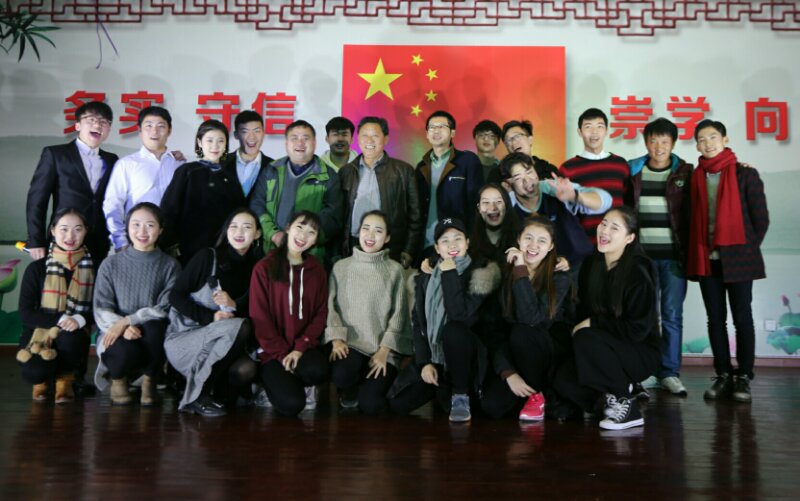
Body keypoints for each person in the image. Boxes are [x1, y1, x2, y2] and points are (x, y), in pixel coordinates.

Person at [552, 207, 660, 430]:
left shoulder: (638, 272)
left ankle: (626, 405)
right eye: (603, 224)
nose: (605, 231)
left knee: (585, 336)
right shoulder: (592, 264)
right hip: (600, 345)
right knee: (562, 380)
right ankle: (606, 399)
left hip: (638, 350)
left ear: (629, 238)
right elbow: (583, 312)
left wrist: (594, 324)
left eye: (614, 227)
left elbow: (638, 330)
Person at [387, 218, 501, 423]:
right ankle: (443, 387)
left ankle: (460, 394)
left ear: (467, 243)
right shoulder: (427, 275)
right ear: (437, 248)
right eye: (445, 241)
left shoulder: (480, 273)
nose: (452, 245)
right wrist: (424, 363)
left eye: (458, 239)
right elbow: (418, 322)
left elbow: (459, 315)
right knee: (398, 403)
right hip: (436, 357)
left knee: (453, 330)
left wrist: (449, 272)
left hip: (468, 359)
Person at [688, 120, 769, 403]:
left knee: (742, 318)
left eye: (713, 137)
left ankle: (744, 376)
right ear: (697, 145)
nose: (708, 143)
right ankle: (723, 374)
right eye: (702, 139)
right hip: (707, 260)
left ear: (725, 140)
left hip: (739, 260)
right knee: (716, 319)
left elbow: (760, 219)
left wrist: (745, 250)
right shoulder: (696, 177)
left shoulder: (745, 174)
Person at [165, 208, 263, 416]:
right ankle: (196, 396)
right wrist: (211, 316)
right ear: (226, 231)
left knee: (246, 369)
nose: (239, 232)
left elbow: (255, 310)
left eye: (247, 227)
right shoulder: (207, 257)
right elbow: (175, 296)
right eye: (233, 227)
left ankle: (215, 390)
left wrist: (234, 305)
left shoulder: (258, 267)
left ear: (257, 234)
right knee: (240, 326)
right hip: (187, 337)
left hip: (222, 342)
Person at [481, 216, 572, 421]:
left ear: (551, 246)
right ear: (518, 240)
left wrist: (520, 268)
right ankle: (530, 395)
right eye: (528, 238)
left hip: (546, 358)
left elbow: (531, 318)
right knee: (491, 406)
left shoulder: (559, 277)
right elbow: (493, 330)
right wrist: (508, 372)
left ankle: (539, 394)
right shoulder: (502, 273)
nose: (533, 245)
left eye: (542, 240)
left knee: (522, 332)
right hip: (514, 356)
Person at [626, 118, 693, 396]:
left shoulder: (685, 173)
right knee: (645, 316)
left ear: (673, 143)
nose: (659, 147)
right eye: (653, 141)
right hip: (642, 259)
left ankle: (670, 373)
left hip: (674, 259)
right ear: (646, 142)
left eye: (665, 141)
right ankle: (648, 371)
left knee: (672, 315)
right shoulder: (633, 171)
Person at [93, 203, 180, 406]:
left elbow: (165, 307)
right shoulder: (110, 264)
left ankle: (150, 381)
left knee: (158, 328)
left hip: (150, 331)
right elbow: (101, 307)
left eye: (150, 225)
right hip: (114, 330)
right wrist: (122, 327)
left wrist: (129, 320)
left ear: (160, 230)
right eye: (136, 224)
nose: (142, 231)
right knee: (123, 351)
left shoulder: (171, 265)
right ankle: (118, 380)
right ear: (127, 228)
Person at [326, 211, 411, 414]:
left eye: (378, 231)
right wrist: (336, 339)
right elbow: (331, 307)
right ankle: (350, 390)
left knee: (371, 406)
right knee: (342, 375)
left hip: (383, 350)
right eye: (366, 228)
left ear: (387, 237)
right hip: (351, 345)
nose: (370, 235)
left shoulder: (395, 270)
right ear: (359, 232)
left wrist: (384, 351)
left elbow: (399, 315)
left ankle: (374, 389)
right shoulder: (341, 267)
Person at [250, 211, 330, 416]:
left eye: (311, 232)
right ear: (288, 228)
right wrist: (282, 354)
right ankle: (268, 387)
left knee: (318, 371)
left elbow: (321, 313)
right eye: (299, 227)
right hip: (272, 351)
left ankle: (297, 381)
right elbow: (260, 318)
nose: (303, 236)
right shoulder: (264, 267)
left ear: (315, 240)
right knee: (292, 405)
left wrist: (300, 348)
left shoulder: (316, 270)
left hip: (303, 348)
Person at [17, 209, 95, 404]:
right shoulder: (37, 268)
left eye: (78, 229)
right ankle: (42, 381)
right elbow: (25, 313)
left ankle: (64, 380)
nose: (70, 236)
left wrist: (80, 319)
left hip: (74, 333)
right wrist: (60, 319)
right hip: (38, 332)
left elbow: (101, 307)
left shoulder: (95, 267)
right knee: (34, 371)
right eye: (64, 229)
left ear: (86, 231)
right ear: (53, 230)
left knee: (71, 337)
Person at [26, 101, 118, 265]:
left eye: (104, 122)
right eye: (91, 119)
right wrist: (35, 240)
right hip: (64, 239)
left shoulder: (112, 159)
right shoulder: (55, 154)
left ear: (109, 130)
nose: (97, 125)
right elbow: (37, 200)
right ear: (77, 125)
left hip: (98, 242)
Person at [249, 120, 343, 266]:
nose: (300, 143)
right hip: (271, 253)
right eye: (294, 138)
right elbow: (257, 205)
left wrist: (304, 239)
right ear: (286, 143)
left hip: (310, 257)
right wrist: (273, 234)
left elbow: (333, 218)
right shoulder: (271, 170)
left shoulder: (328, 176)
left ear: (315, 143)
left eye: (306, 138)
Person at [500, 152, 609, 269]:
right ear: (507, 185)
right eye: (518, 178)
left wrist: (574, 196)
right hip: (541, 271)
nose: (527, 180)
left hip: (580, 264)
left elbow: (604, 202)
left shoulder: (552, 188)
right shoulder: (506, 205)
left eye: (529, 172)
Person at [339, 116, 422, 267]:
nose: (369, 140)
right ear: (358, 139)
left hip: (389, 247)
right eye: (364, 135)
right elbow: (339, 215)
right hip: (353, 245)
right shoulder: (346, 171)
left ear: (386, 139)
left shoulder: (404, 171)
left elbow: (415, 215)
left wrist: (409, 249)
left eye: (375, 136)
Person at [161, 119, 246, 266]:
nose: (215, 146)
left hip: (222, 252)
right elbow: (168, 210)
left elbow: (239, 213)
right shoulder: (187, 171)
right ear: (199, 142)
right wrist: (170, 244)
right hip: (187, 250)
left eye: (220, 141)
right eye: (210, 140)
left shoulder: (230, 177)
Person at [103, 106, 184, 252]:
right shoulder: (127, 164)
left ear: (169, 130)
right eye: (148, 126)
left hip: (173, 243)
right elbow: (113, 204)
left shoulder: (180, 164)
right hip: (137, 241)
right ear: (139, 130)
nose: (154, 131)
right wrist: (120, 241)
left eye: (161, 126)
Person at [416, 111, 484, 258]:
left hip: (457, 244)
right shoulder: (421, 167)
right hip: (428, 243)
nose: (436, 130)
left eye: (441, 126)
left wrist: (471, 240)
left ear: (452, 132)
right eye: (432, 127)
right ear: (427, 134)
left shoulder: (467, 161)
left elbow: (476, 205)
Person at [558, 109, 629, 244]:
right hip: (584, 242)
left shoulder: (620, 164)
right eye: (588, 127)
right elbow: (565, 211)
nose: (594, 132)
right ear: (580, 132)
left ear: (606, 131)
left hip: (617, 242)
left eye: (599, 127)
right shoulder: (568, 168)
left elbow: (627, 201)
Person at [223, 110, 274, 204]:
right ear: (236, 135)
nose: (252, 137)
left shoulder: (274, 167)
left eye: (257, 131)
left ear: (263, 134)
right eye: (245, 131)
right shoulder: (222, 164)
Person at [469, 183, 520, 264]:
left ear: (506, 205)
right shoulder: (468, 241)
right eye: (486, 202)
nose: (493, 208)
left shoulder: (520, 236)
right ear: (479, 208)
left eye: (498, 201)